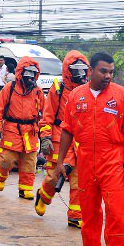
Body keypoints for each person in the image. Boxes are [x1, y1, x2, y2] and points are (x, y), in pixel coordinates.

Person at [54, 52, 124, 246]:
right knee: (89, 215)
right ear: (91, 71)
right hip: (85, 161)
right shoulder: (76, 95)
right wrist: (60, 163)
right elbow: (67, 129)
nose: (108, 76)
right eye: (103, 71)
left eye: (111, 72)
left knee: (116, 214)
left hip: (112, 161)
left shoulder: (121, 95)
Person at [35, 50, 90, 229]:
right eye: (76, 71)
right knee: (54, 175)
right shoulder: (58, 88)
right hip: (60, 137)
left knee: (79, 179)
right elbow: (47, 115)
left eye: (83, 71)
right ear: (68, 70)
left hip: (81, 140)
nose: (80, 75)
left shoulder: (89, 89)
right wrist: (45, 137)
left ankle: (75, 215)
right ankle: (43, 196)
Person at [0, 56, 45, 200]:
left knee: (29, 161)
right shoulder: (10, 88)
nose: (30, 76)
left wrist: (45, 134)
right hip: (12, 128)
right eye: (27, 72)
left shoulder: (38, 92)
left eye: (33, 73)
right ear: (21, 72)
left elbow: (45, 114)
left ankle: (25, 189)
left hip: (31, 131)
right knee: (6, 159)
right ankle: (1, 177)